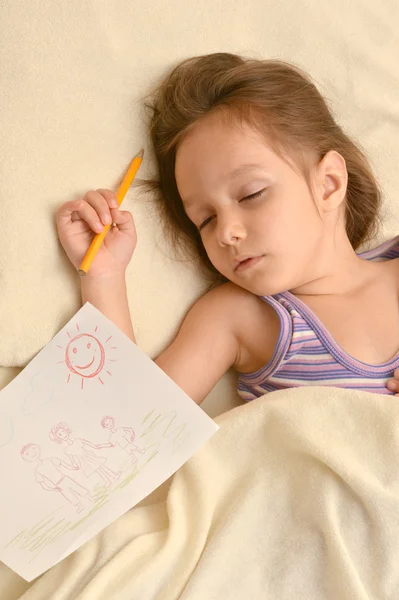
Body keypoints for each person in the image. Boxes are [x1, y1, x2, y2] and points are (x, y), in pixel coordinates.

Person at [55, 52, 399, 405]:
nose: (225, 232)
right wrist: (104, 277)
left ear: (328, 183)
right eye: (205, 220)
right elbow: (130, 424)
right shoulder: (239, 316)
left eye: (251, 194)